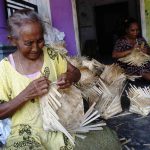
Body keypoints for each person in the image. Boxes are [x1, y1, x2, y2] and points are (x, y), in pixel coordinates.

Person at [0, 9, 121, 150]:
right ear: (13, 40)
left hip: (61, 124)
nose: (35, 48)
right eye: (28, 43)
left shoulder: (51, 54)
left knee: (109, 141)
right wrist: (27, 94)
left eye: (40, 41)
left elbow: (76, 73)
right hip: (26, 132)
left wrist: (69, 77)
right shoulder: (4, 68)